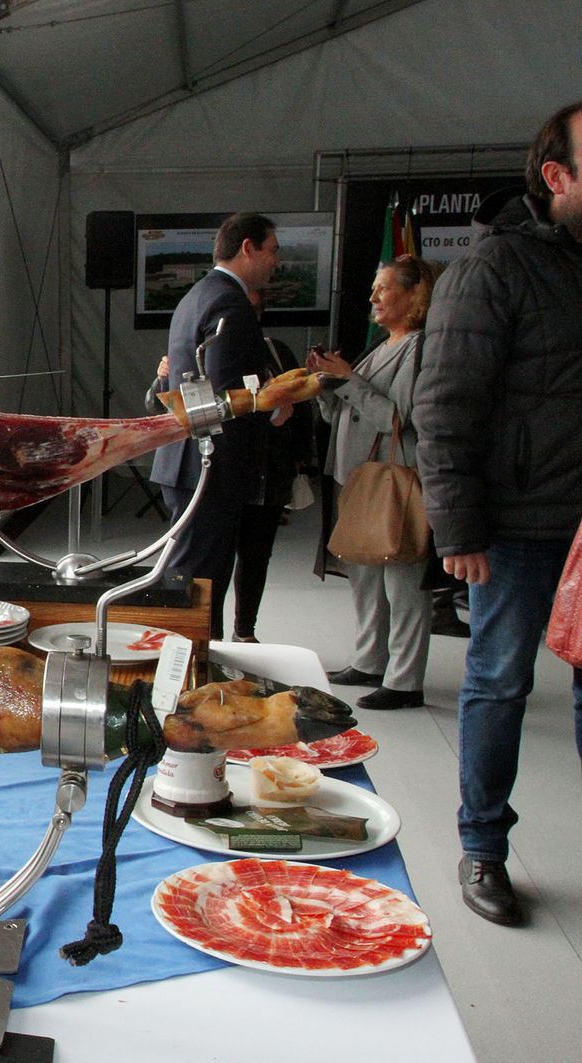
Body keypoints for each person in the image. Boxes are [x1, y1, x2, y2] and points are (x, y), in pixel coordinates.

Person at [415, 100, 582, 929]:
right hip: (518, 524)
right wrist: (461, 528)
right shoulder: (497, 265)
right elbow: (444, 401)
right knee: (499, 680)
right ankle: (483, 845)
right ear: (558, 177)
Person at [144, 286, 313, 643]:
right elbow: (160, 409)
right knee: (205, 565)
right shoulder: (197, 356)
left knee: (252, 555)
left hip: (263, 472)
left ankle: (242, 632)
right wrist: (163, 378)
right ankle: (208, 639)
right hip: (215, 470)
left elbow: (301, 409)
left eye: (245, 314)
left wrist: (294, 442)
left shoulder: (274, 352)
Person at [311, 253, 442, 710]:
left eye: (383, 288)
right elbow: (352, 410)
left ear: (414, 296)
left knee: (402, 579)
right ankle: (370, 659)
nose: (373, 297)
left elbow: (397, 418)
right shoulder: (382, 346)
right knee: (364, 573)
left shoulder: (420, 347)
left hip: (397, 480)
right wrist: (327, 389)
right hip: (360, 478)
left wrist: (348, 381)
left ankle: (405, 680)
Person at [148, 213, 281, 640]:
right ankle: (184, 679)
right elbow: (225, 391)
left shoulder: (197, 295)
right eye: (273, 250)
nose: (276, 261)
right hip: (209, 464)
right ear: (248, 248)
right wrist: (273, 403)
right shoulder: (228, 301)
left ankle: (197, 668)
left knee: (198, 578)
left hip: (191, 459)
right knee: (197, 583)